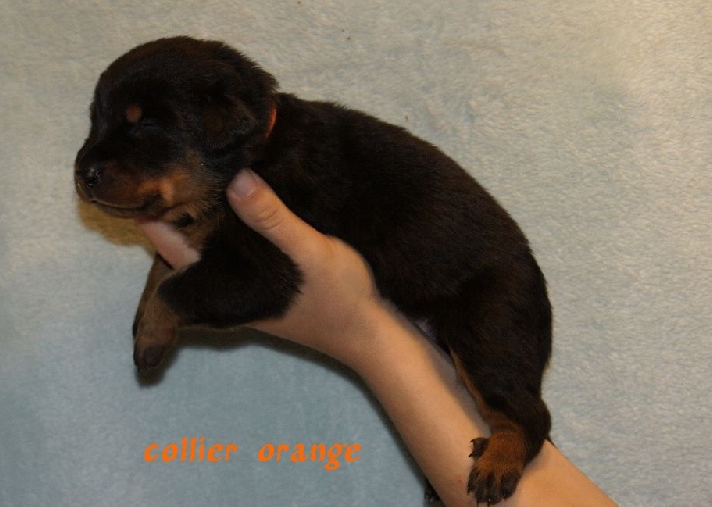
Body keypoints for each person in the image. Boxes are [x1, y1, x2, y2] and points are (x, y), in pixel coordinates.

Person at [138, 169, 614, 507]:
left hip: (481, 289)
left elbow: (261, 281)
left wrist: (361, 328)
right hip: (434, 294)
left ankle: (515, 432)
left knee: (494, 386)